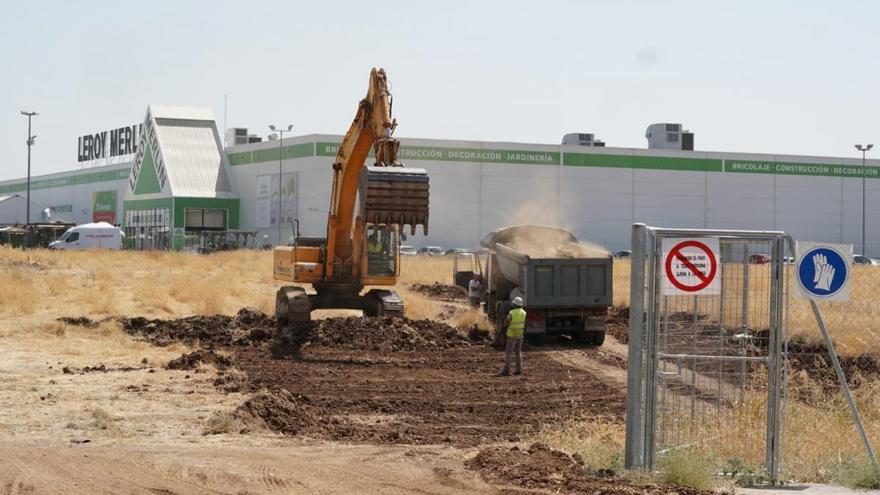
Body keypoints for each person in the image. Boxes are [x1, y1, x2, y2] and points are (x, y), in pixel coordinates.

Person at [499, 297, 526, 376]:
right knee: (518, 352)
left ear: (514, 304)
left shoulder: (511, 312)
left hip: (512, 334)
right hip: (520, 334)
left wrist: (504, 326)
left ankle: (506, 370)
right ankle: (519, 369)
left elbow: (506, 323)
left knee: (509, 352)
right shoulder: (524, 312)